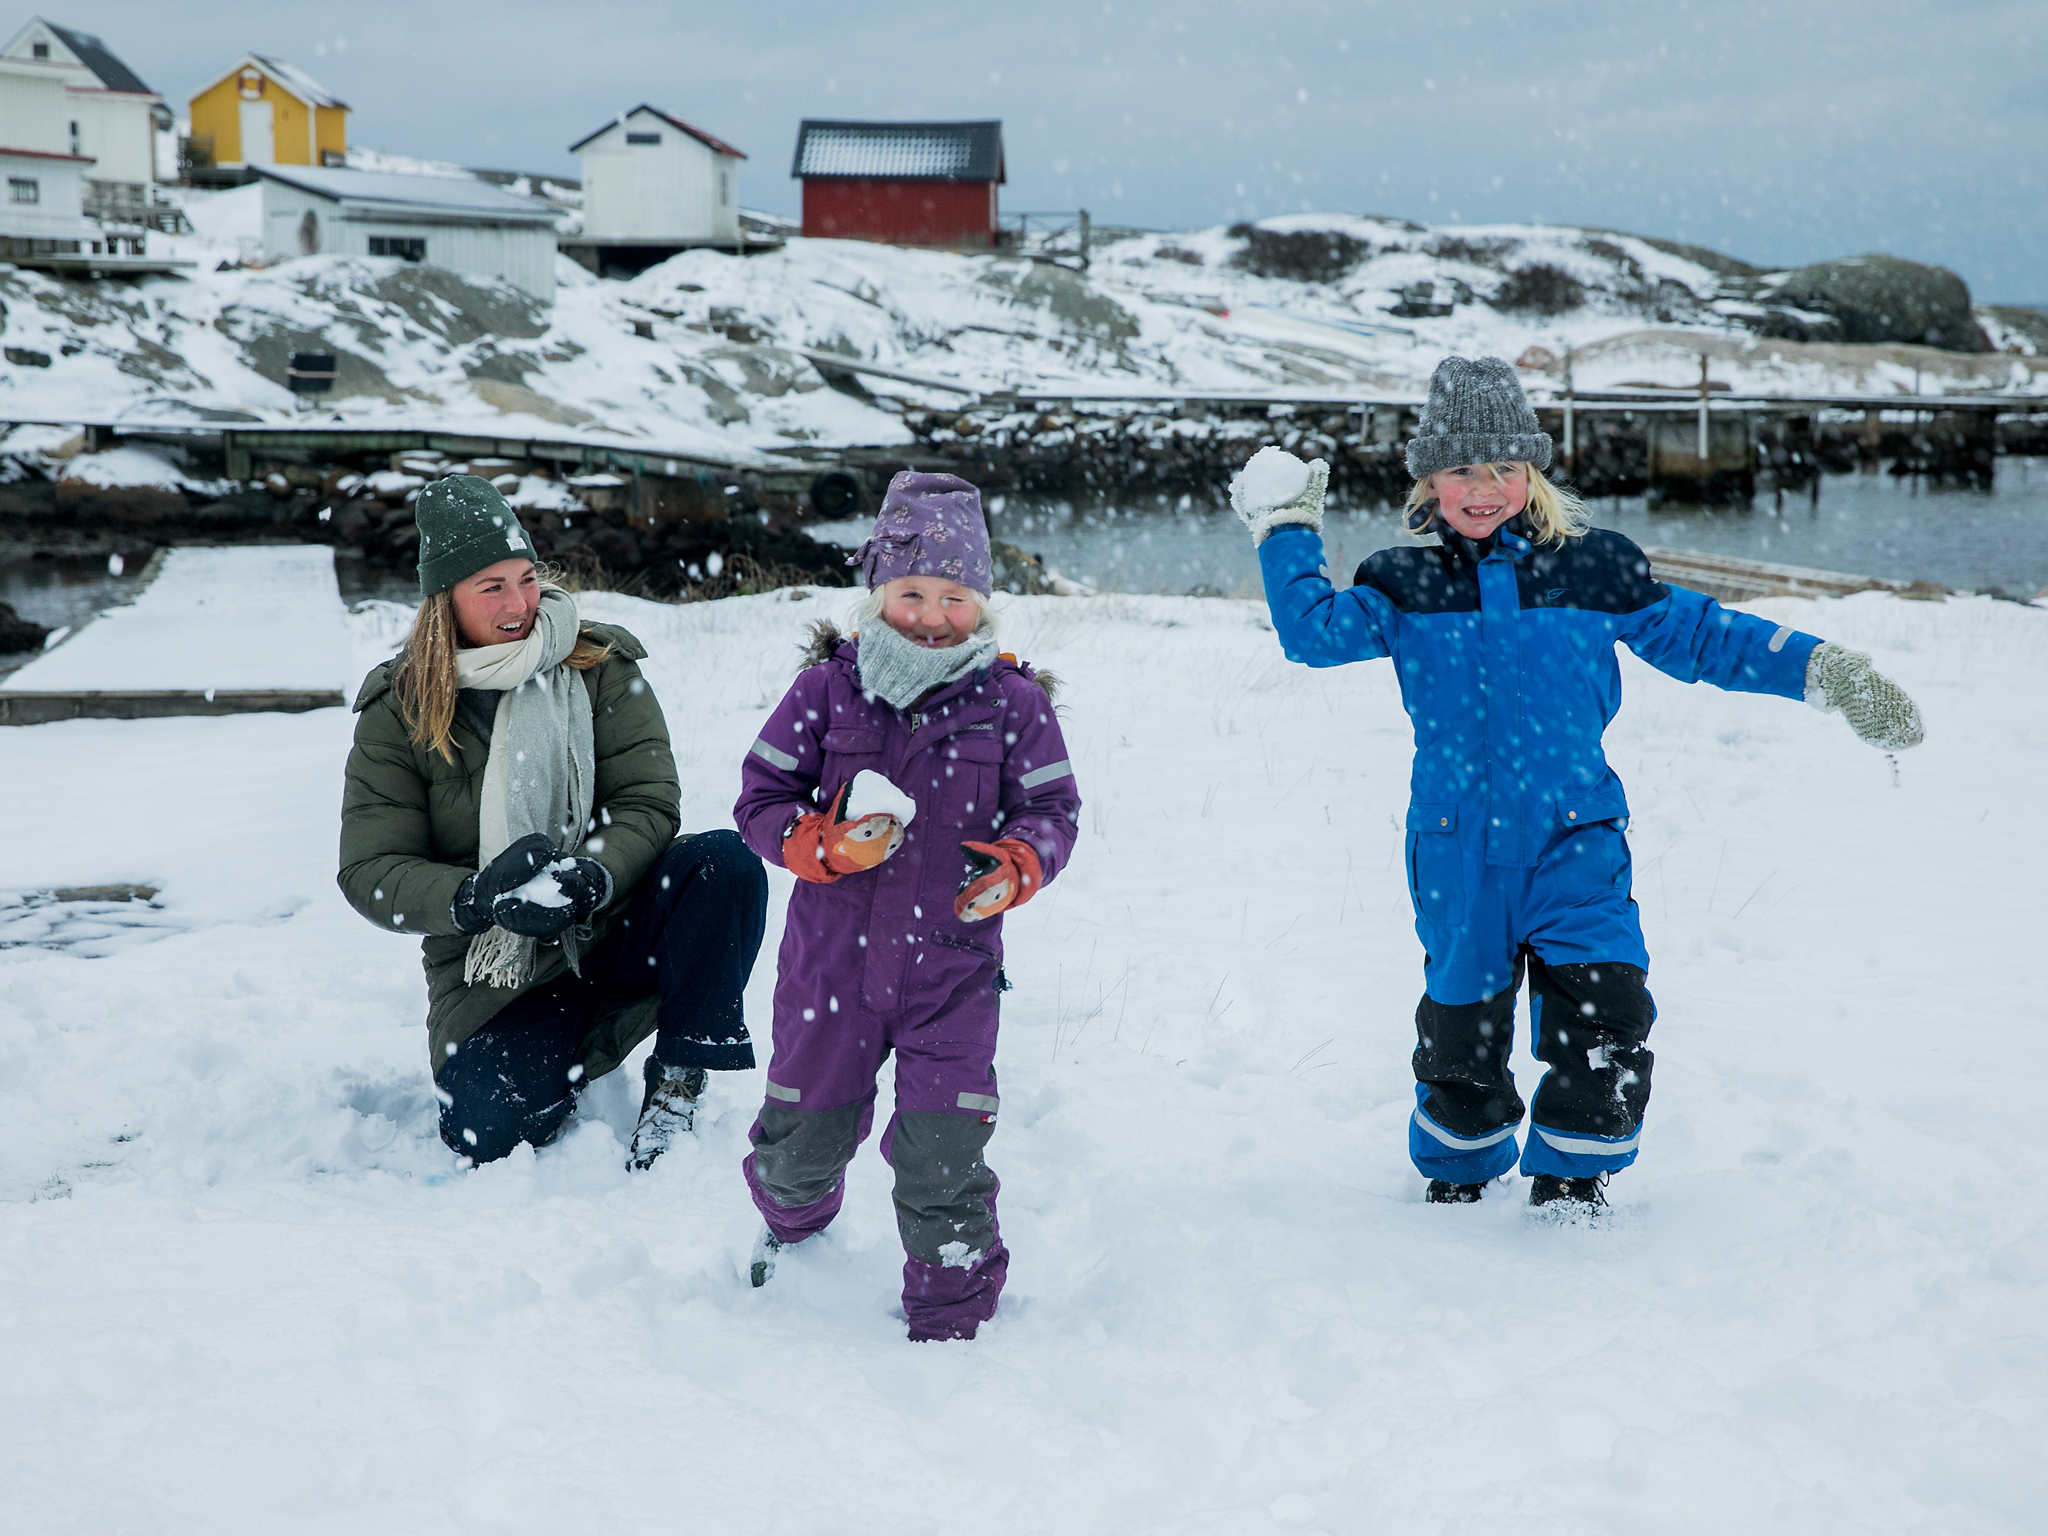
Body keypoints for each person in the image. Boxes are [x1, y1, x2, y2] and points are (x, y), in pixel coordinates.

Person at [1234, 356, 1924, 1211]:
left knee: (1606, 1016)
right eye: (1460, 471)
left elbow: (1706, 638)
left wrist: (1825, 672)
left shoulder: (1597, 570)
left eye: (1502, 469)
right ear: (1429, 482)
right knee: (1462, 1034)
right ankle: (1456, 1179)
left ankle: (1573, 1180)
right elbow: (1311, 633)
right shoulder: (1402, 583)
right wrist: (1287, 526)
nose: (1482, 489)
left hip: (1576, 842)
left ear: (1532, 473)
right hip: (1456, 851)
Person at [732, 471, 1081, 1340]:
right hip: (829, 968)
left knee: (943, 1157)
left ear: (984, 601)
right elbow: (761, 799)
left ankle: (952, 1316)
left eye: (954, 596)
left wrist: (1020, 864)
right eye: (912, 592)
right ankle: (792, 1228)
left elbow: (1053, 811)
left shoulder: (1013, 705)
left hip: (951, 976)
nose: (932, 614)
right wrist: (820, 846)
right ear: (878, 591)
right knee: (800, 1145)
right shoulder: (827, 691)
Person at [339, 475, 767, 1168]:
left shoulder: (598, 663)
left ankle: (681, 1075)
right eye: (491, 587)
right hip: (494, 976)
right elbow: (369, 870)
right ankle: (563, 1046)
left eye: (526, 578)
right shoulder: (401, 710)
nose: (519, 605)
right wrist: (476, 898)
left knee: (723, 864)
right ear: (443, 599)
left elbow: (649, 802)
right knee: (488, 1135)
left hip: (615, 925)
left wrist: (594, 873)